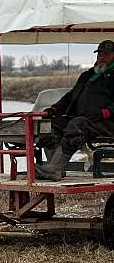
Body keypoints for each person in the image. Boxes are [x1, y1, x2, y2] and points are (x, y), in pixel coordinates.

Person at [36, 40, 114, 181]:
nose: (102, 56)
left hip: (106, 123)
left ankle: (54, 169)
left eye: (107, 54)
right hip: (85, 120)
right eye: (100, 53)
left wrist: (105, 113)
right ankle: (54, 167)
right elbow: (71, 96)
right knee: (50, 126)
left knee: (77, 125)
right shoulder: (87, 75)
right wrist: (54, 109)